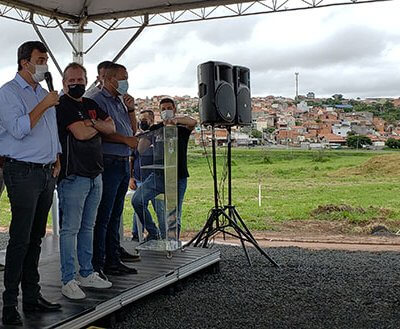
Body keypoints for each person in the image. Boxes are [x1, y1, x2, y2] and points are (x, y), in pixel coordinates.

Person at [0, 41, 62, 326]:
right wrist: (44, 104)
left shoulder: (43, 93)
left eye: (46, 60)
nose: (44, 65)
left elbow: (51, 129)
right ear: (24, 62)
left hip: (46, 172)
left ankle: (32, 296)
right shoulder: (8, 93)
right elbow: (19, 129)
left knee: (36, 238)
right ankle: (9, 304)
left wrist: (57, 154)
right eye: (40, 59)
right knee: (20, 240)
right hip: (22, 172)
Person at [56, 62, 116, 299]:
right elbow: (79, 134)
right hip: (73, 176)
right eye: (71, 80)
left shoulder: (91, 104)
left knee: (88, 227)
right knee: (70, 229)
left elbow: (111, 127)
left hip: (95, 174)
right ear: (64, 83)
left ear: (86, 80)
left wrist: (91, 124)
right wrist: (96, 126)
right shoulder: (62, 105)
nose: (76, 84)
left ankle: (87, 272)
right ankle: (68, 279)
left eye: (80, 80)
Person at [90, 63, 140, 277]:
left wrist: (131, 110)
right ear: (109, 79)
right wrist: (125, 140)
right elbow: (100, 131)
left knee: (116, 213)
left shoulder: (120, 100)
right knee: (105, 214)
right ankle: (101, 261)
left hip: (122, 160)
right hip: (108, 160)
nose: (126, 81)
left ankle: (114, 254)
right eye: (123, 77)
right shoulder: (96, 100)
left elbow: (132, 130)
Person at [132, 98, 197, 240]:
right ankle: (153, 232)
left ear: (174, 109)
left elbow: (193, 122)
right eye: (163, 109)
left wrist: (175, 120)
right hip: (158, 175)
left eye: (169, 108)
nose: (166, 111)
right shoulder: (156, 129)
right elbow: (141, 149)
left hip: (177, 176)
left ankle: (172, 245)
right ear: (159, 112)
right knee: (137, 200)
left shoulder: (181, 128)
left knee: (174, 216)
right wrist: (144, 133)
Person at [130, 109, 164, 241]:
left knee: (159, 209)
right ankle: (136, 234)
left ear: (152, 120)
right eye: (140, 120)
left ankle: (163, 235)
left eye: (145, 120)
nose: (142, 122)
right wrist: (131, 177)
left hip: (155, 180)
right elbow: (131, 158)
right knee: (138, 206)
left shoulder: (159, 136)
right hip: (139, 179)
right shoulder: (138, 138)